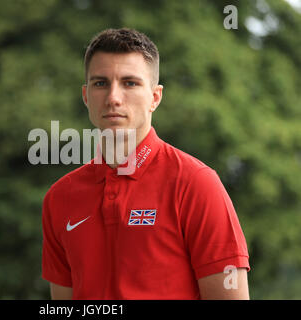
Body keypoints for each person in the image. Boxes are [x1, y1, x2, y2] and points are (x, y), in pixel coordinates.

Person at [41, 28, 250, 300]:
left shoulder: (196, 184)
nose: (113, 97)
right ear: (85, 95)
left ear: (155, 97)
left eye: (130, 83)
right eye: (100, 83)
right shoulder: (59, 198)